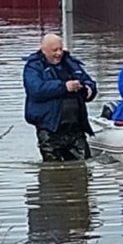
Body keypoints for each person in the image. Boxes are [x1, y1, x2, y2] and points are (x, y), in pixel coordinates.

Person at [23, 33, 97, 162]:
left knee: (84, 167)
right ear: (44, 50)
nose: (59, 53)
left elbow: (90, 84)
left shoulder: (71, 64)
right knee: (53, 170)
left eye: (60, 49)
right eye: (54, 50)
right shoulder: (33, 67)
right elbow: (36, 90)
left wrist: (85, 89)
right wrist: (64, 87)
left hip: (75, 127)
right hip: (50, 129)